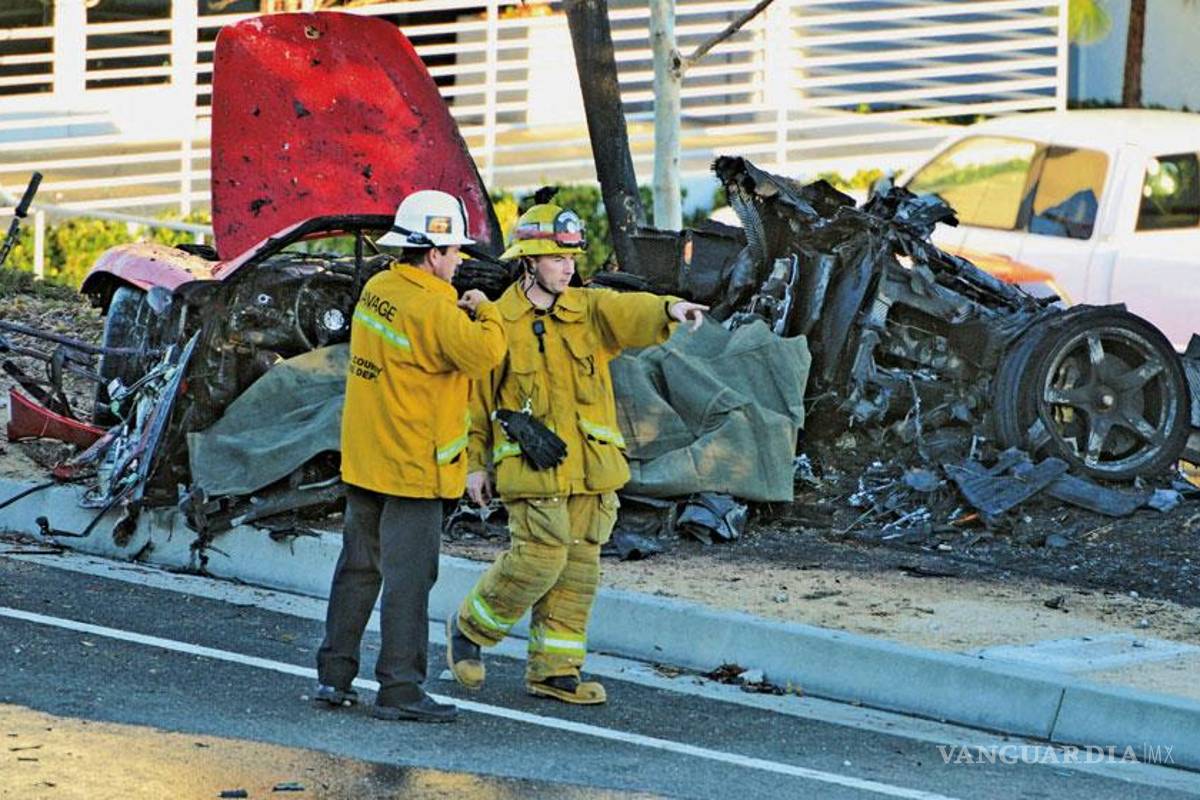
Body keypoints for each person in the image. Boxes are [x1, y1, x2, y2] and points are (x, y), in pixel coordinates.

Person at [445, 202, 707, 704]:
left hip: (591, 471)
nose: (568, 267)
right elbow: (475, 403)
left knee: (578, 571)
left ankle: (555, 671)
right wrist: (475, 465)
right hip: (532, 470)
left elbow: (627, 311)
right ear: (530, 262)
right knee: (539, 560)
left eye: (571, 258)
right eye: (556, 259)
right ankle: (470, 630)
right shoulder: (498, 321)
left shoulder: (587, 309)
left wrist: (669, 307)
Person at [316, 189, 506, 723]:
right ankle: (400, 689)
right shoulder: (436, 306)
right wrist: (485, 311)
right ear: (431, 253)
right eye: (454, 252)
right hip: (415, 470)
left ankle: (334, 674)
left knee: (357, 569)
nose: (460, 261)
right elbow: (486, 355)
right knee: (409, 582)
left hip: (368, 459)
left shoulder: (380, 288)